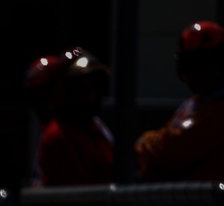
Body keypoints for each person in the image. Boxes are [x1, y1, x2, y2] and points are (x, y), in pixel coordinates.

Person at [135, 20, 224, 182]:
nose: (197, 74)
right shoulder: (196, 102)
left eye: (206, 64)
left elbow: (168, 152)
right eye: (190, 65)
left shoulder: (218, 110)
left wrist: (144, 144)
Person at [25, 47, 114, 187]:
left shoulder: (97, 128)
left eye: (94, 86)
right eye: (82, 88)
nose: (92, 95)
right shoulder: (58, 136)